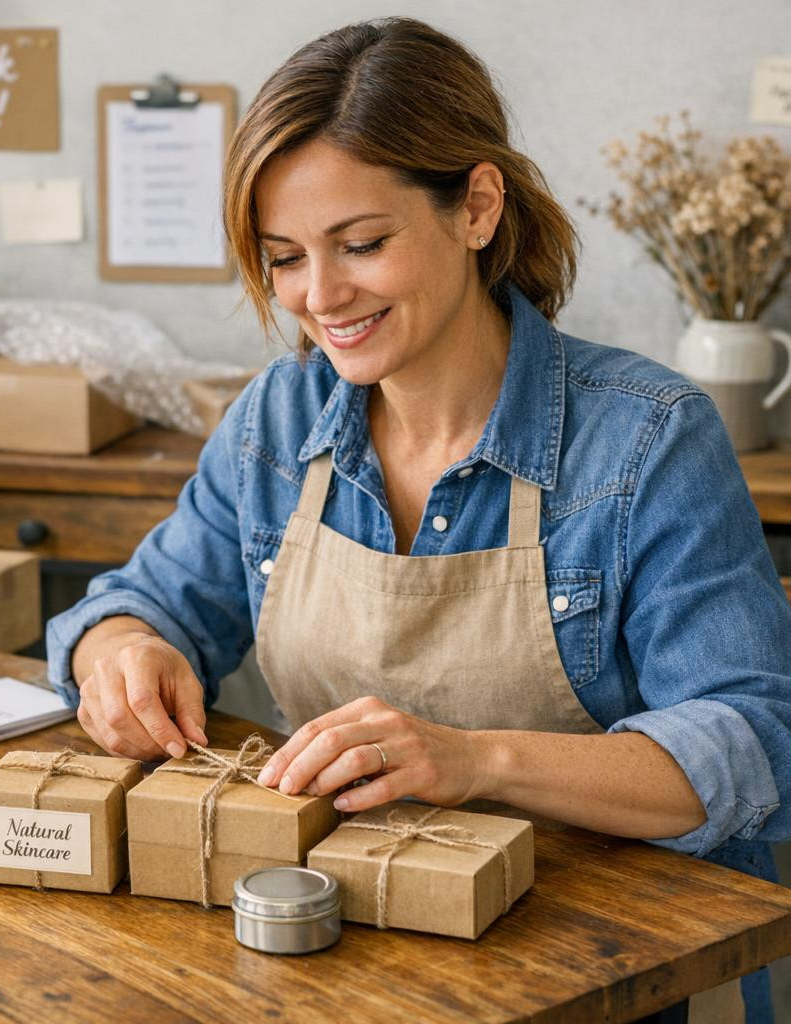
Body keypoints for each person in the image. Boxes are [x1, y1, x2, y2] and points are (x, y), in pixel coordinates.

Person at [46, 17, 791, 1021]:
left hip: (608, 976)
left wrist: (473, 757)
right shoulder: (278, 417)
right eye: (285, 258)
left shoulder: (648, 441)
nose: (321, 296)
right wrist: (119, 652)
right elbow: (143, 601)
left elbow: (753, 741)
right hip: (347, 961)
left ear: (477, 207)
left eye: (361, 244)